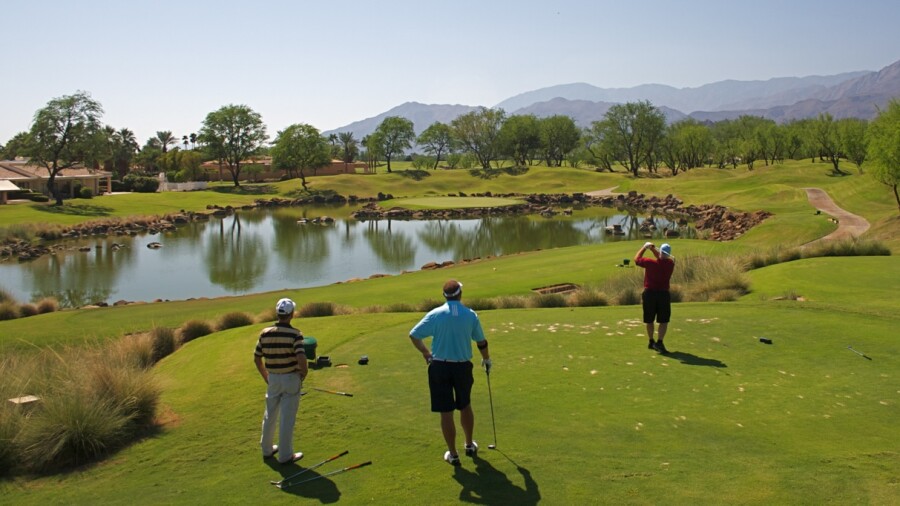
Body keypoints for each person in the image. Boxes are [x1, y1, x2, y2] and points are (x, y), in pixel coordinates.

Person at [409, 280, 491, 466]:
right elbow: (481, 342)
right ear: (460, 294)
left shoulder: (435, 314)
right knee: (465, 405)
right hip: (462, 367)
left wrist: (425, 353)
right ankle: (469, 445)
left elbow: (414, 335)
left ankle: (453, 454)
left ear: (445, 296)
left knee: (446, 412)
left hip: (439, 367)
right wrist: (486, 359)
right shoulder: (470, 315)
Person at [254, 297, 308, 464]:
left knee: (269, 414)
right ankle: (285, 456)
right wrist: (302, 375)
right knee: (287, 418)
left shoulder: (264, 333)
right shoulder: (295, 334)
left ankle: (267, 449)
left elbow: (257, 358)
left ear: (277, 313)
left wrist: (266, 377)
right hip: (290, 378)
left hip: (274, 379)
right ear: (291, 314)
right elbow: (301, 358)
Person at [634, 242, 676, 354]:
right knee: (664, 321)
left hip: (649, 294)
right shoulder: (671, 264)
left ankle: (651, 341)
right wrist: (653, 249)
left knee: (649, 319)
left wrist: (644, 247)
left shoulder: (649, 262)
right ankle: (659, 342)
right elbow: (662, 258)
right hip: (663, 295)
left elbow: (637, 259)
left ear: (661, 251)